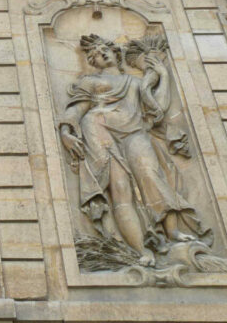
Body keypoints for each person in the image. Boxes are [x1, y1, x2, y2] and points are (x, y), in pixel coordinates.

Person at [58, 34, 208, 267]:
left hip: (135, 130)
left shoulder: (136, 83)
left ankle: (172, 232)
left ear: (116, 54)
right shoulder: (90, 81)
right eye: (97, 52)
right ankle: (140, 251)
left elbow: (158, 108)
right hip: (99, 126)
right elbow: (77, 109)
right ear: (92, 60)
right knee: (120, 189)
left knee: (151, 175)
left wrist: (164, 75)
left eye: (106, 49)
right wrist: (66, 131)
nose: (103, 53)